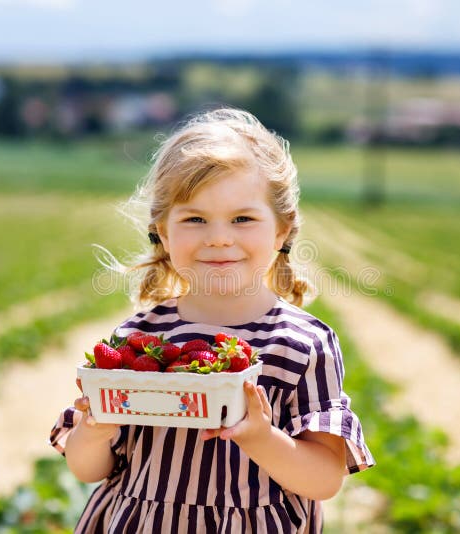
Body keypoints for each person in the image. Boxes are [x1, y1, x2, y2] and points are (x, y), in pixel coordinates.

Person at [49, 107, 375, 533]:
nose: (219, 237)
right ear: (164, 232)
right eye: (195, 219)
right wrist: (94, 431)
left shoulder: (300, 345)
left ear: (282, 231)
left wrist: (260, 437)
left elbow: (324, 478)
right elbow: (89, 469)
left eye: (242, 219)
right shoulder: (137, 340)